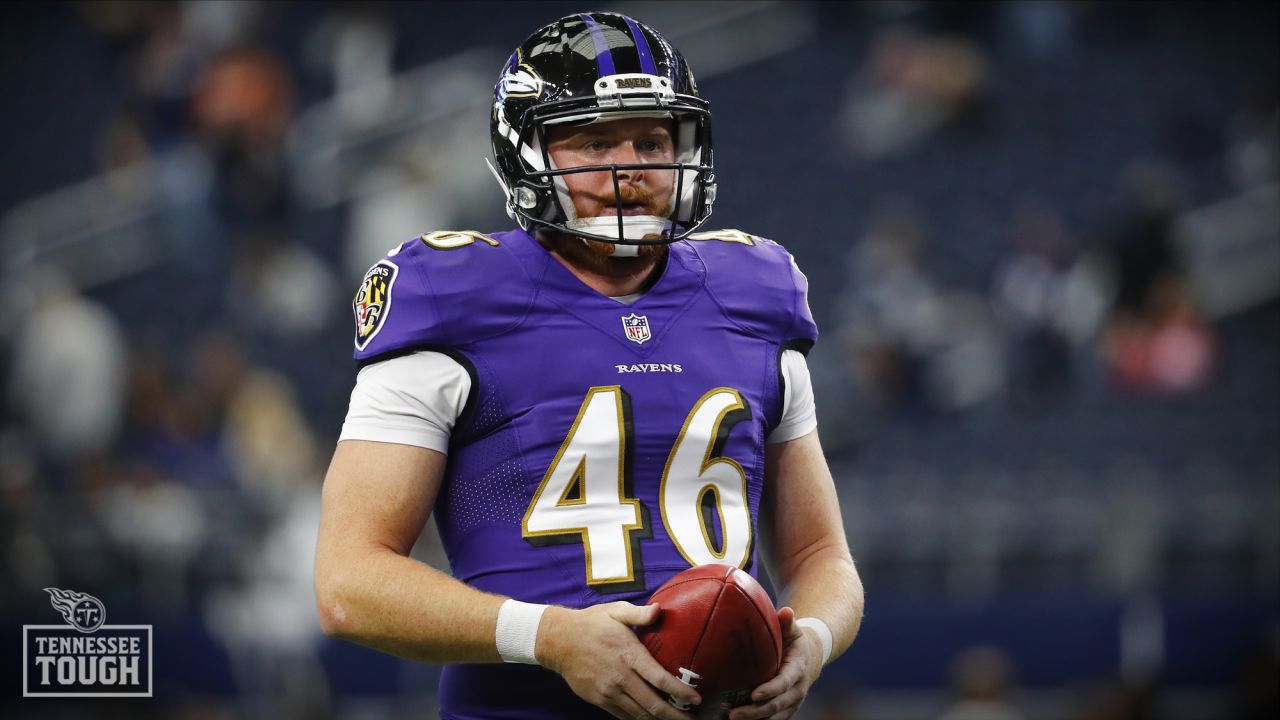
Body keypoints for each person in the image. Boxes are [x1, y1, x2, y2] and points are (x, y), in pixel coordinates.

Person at [314, 12, 863, 720]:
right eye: (595, 141)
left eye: (653, 141)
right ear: (527, 154)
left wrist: (810, 643)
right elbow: (347, 583)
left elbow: (823, 555)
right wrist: (549, 636)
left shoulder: (754, 294)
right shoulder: (451, 295)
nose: (630, 166)